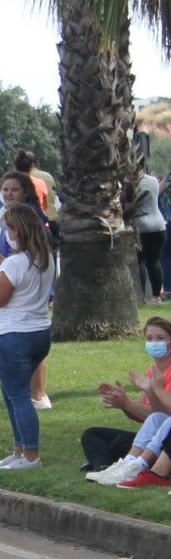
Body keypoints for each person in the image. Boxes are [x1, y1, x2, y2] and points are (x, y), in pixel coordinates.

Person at [0, 203, 56, 470]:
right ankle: (20, 449)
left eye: (7, 229)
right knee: (12, 390)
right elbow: (20, 276)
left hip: (14, 333)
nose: (6, 233)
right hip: (39, 331)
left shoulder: (15, 263)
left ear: (16, 231)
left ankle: (31, 455)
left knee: (19, 395)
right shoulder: (44, 257)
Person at [83, 318, 171, 483]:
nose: (154, 343)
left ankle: (132, 466)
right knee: (91, 434)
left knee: (120, 443)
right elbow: (142, 416)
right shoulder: (153, 371)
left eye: (160, 338)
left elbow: (165, 417)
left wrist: (131, 401)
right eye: (149, 338)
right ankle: (108, 468)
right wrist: (122, 403)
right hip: (153, 435)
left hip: (164, 440)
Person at [135, 172, 166, 301]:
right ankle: (156, 296)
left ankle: (141, 296)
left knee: (139, 262)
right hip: (159, 226)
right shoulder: (153, 180)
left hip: (141, 226)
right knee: (154, 261)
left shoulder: (130, 183)